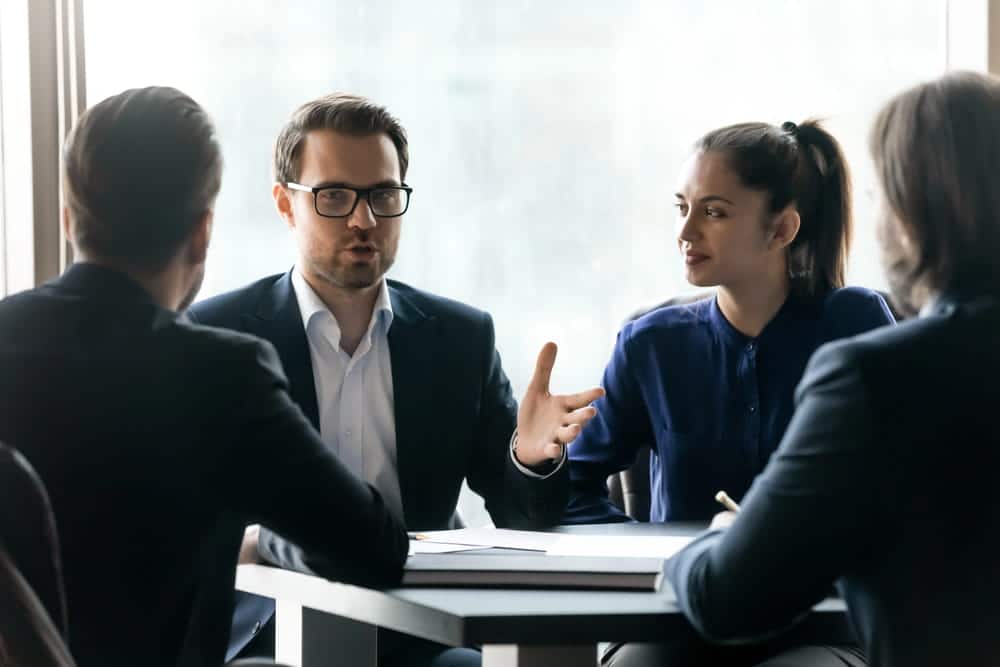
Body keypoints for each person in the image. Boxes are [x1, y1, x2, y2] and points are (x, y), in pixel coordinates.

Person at [0, 86, 412, 667]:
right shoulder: (221, 375)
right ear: (202, 231)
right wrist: (264, 542)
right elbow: (376, 548)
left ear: (71, 221)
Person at [188, 92, 603, 665]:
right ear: (286, 205)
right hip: (266, 630)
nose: (365, 219)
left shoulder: (459, 337)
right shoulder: (219, 337)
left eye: (383, 195)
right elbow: (184, 531)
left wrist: (529, 459)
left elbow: (522, 518)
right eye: (334, 196)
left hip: (419, 631)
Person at [668, 70, 1000, 667]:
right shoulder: (653, 342)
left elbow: (729, 597)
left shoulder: (877, 379)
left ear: (912, 214)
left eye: (880, 199)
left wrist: (713, 542)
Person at [566, 119, 895, 666]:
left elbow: (905, 487)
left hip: (822, 621)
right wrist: (661, 551)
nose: (686, 231)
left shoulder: (853, 324)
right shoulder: (651, 344)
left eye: (714, 212)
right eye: (682, 208)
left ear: (781, 229)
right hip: (678, 616)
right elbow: (571, 489)